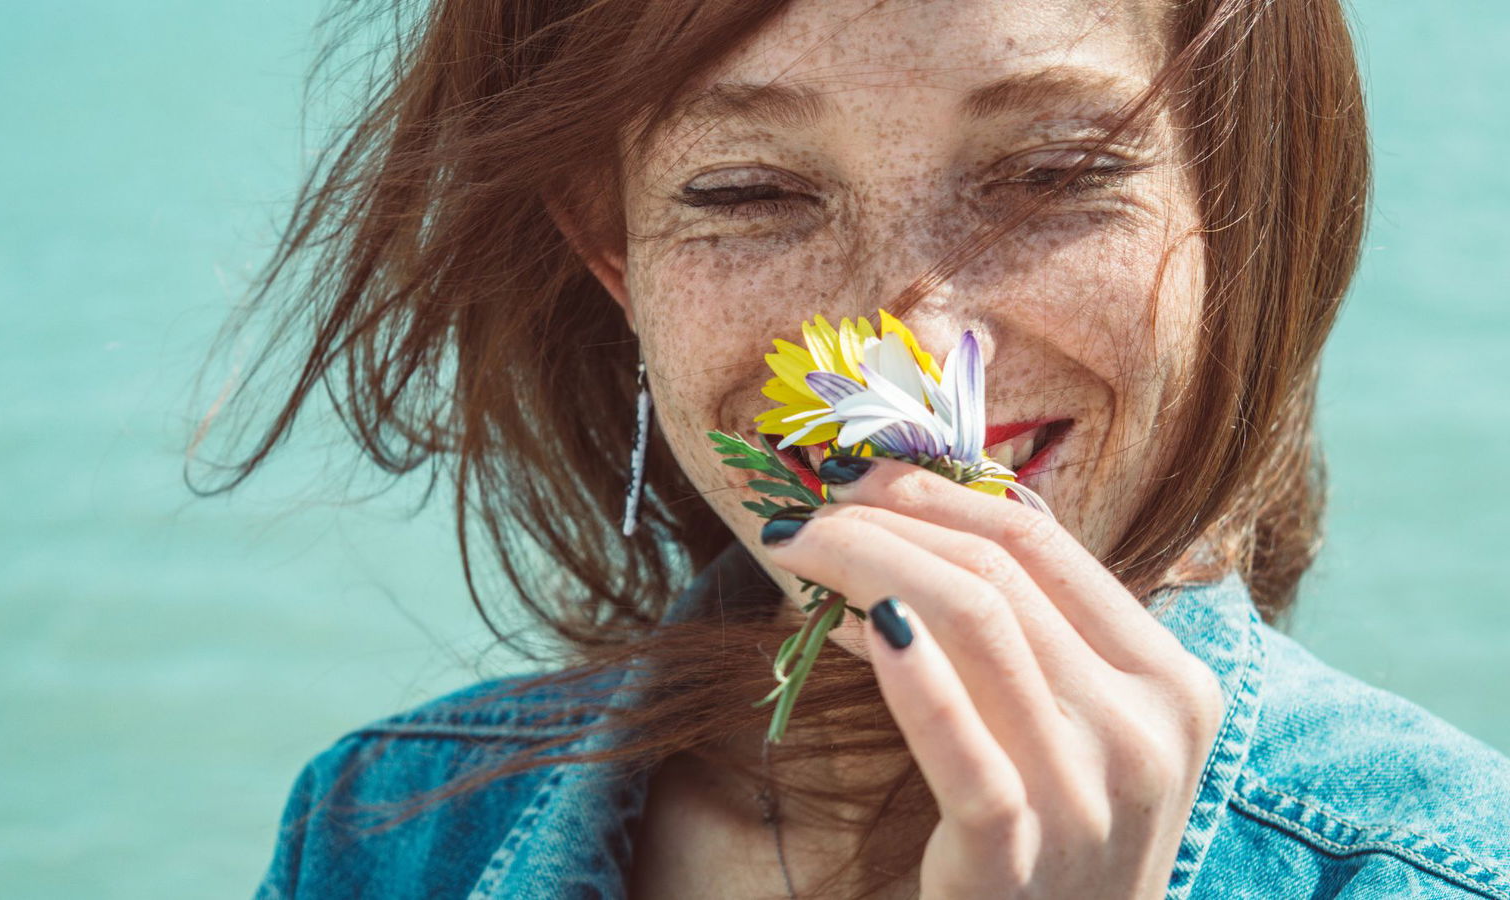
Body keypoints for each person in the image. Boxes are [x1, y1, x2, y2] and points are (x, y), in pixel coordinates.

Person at [195, 0, 1510, 897]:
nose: (914, 345)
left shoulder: (1441, 864)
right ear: (615, 255)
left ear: (1232, 209)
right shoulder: (381, 832)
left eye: (1054, 172)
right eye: (750, 192)